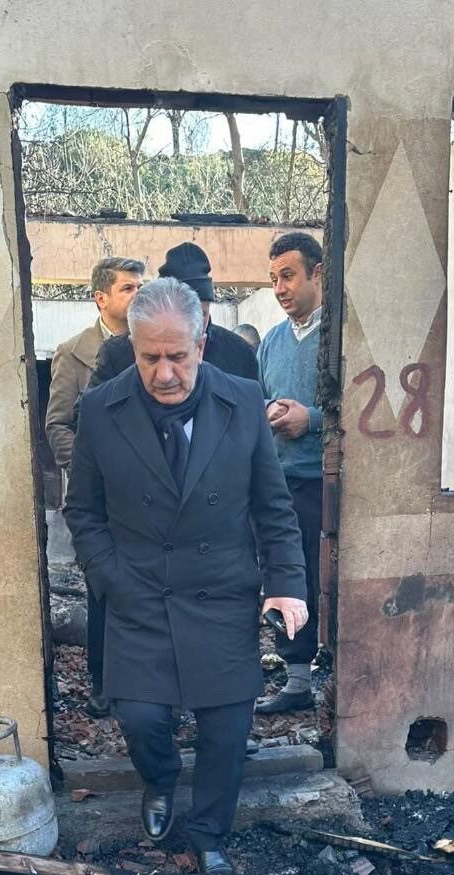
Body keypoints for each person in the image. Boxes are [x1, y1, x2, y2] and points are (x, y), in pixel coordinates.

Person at [65, 279, 306, 875]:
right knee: (141, 717)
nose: (165, 373)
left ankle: (208, 831)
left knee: (227, 726)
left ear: (201, 343)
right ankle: (160, 779)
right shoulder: (100, 409)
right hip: (138, 591)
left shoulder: (242, 400)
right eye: (150, 357)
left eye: (177, 356)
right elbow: (83, 510)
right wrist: (108, 577)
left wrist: (286, 583)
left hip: (220, 590)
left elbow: (272, 506)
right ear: (132, 345)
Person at [45, 256, 145, 717]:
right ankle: (104, 683)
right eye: (128, 288)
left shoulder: (154, 340)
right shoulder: (73, 352)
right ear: (101, 298)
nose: (138, 295)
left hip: (150, 495)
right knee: (103, 588)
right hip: (99, 498)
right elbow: (57, 425)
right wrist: (92, 469)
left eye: (141, 286)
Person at [254, 231, 325, 715]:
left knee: (326, 578)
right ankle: (297, 679)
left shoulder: (340, 337)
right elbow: (255, 397)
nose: (280, 288)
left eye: (288, 276)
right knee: (286, 575)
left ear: (317, 273)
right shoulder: (272, 342)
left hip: (328, 482)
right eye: (274, 279)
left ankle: (340, 671)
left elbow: (362, 405)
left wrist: (311, 420)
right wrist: (267, 410)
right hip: (281, 484)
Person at [87, 243, 259, 388]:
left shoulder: (239, 353)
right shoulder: (116, 354)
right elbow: (91, 412)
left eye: (201, 314)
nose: (165, 375)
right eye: (151, 358)